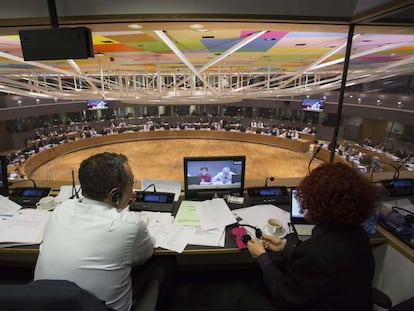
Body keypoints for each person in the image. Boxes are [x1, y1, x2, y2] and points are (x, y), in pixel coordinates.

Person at [34, 152, 174, 311]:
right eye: (131, 183)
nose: (133, 189)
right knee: (165, 263)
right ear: (115, 194)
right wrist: (122, 211)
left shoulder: (61, 209)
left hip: (45, 304)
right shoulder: (130, 224)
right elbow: (145, 254)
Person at [244, 162, 380, 310]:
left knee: (241, 295)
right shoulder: (359, 234)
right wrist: (284, 247)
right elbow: (323, 269)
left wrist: (262, 256)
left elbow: (285, 297)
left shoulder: (317, 251)